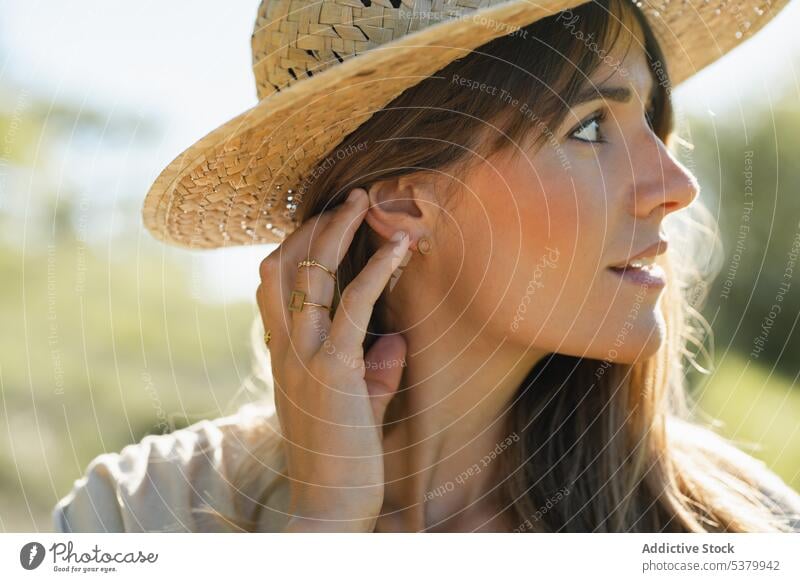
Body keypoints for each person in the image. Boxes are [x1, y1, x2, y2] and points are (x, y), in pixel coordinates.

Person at [53, 0, 800, 532]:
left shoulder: (741, 530)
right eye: (592, 126)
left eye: (654, 121)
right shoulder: (134, 513)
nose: (676, 185)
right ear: (407, 205)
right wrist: (325, 524)